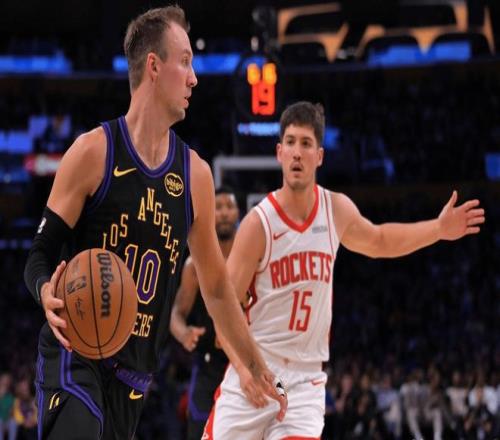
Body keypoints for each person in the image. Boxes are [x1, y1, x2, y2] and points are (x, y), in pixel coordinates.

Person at [23, 6, 285, 440]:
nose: (194, 78)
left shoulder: (195, 175)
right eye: (185, 62)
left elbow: (218, 290)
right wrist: (45, 290)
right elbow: (39, 254)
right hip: (75, 353)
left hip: (134, 379)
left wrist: (257, 366)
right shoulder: (93, 152)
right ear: (154, 66)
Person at [204, 101, 485, 439]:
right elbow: (224, 311)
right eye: (290, 142)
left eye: (306, 143)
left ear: (319, 156)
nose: (297, 152)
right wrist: (244, 368)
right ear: (279, 153)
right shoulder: (258, 224)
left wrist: (437, 229)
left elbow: (380, 240)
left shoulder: (335, 209)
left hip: (305, 380)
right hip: (255, 367)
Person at [170, 185, 239, 439]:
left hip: (246, 361)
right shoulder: (195, 264)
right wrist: (184, 334)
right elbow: (176, 313)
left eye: (229, 206)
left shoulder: (254, 256)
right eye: (218, 207)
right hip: (209, 363)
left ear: (238, 213)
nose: (224, 212)